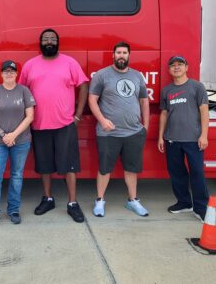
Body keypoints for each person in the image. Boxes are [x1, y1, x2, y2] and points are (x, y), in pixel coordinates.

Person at [19, 29, 89, 223]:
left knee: (70, 166)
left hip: (65, 124)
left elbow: (83, 85)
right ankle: (48, 199)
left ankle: (72, 203)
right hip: (39, 124)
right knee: (44, 166)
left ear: (58, 42)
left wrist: (78, 114)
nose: (49, 42)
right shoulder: (30, 65)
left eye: (53, 39)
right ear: (40, 42)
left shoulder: (70, 62)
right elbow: (22, 90)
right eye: (46, 39)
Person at [88, 41, 150, 217]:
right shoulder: (102, 75)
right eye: (118, 53)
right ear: (113, 55)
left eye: (124, 53)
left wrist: (145, 126)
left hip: (133, 132)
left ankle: (133, 201)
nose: (121, 55)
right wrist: (102, 120)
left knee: (131, 169)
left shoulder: (137, 76)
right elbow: (92, 100)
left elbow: (144, 101)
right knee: (105, 168)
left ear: (129, 56)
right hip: (109, 133)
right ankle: (99, 201)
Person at [0, 60, 35, 229]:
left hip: (20, 141)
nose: (9, 74)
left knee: (17, 176)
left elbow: (30, 116)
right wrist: (4, 135)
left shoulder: (24, 91)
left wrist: (13, 135)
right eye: (6, 71)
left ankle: (13, 210)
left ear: (16, 73)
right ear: (1, 74)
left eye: (12, 71)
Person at [158, 55, 209, 222]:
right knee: (177, 173)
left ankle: (201, 208)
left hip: (193, 140)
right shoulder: (166, 90)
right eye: (173, 65)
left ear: (187, 67)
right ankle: (184, 202)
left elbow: (204, 112)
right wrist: (160, 137)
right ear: (169, 69)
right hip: (172, 139)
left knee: (197, 173)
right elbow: (164, 114)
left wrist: (204, 135)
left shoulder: (197, 87)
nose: (176, 67)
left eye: (180, 64)